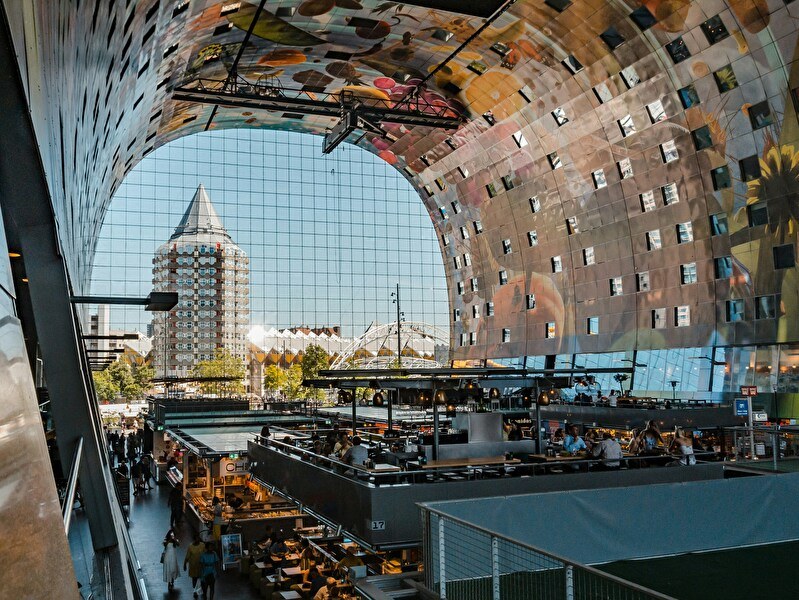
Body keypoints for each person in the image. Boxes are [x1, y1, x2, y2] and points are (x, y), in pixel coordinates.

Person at [183, 533, 205, 598]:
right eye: (196, 538)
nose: (197, 539)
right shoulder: (190, 547)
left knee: (201, 578)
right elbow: (187, 556)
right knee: (194, 579)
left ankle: (201, 590)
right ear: (194, 539)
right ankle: (195, 591)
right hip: (193, 566)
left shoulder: (202, 545)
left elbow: (205, 553)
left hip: (201, 565)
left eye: (198, 538)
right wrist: (184, 564)